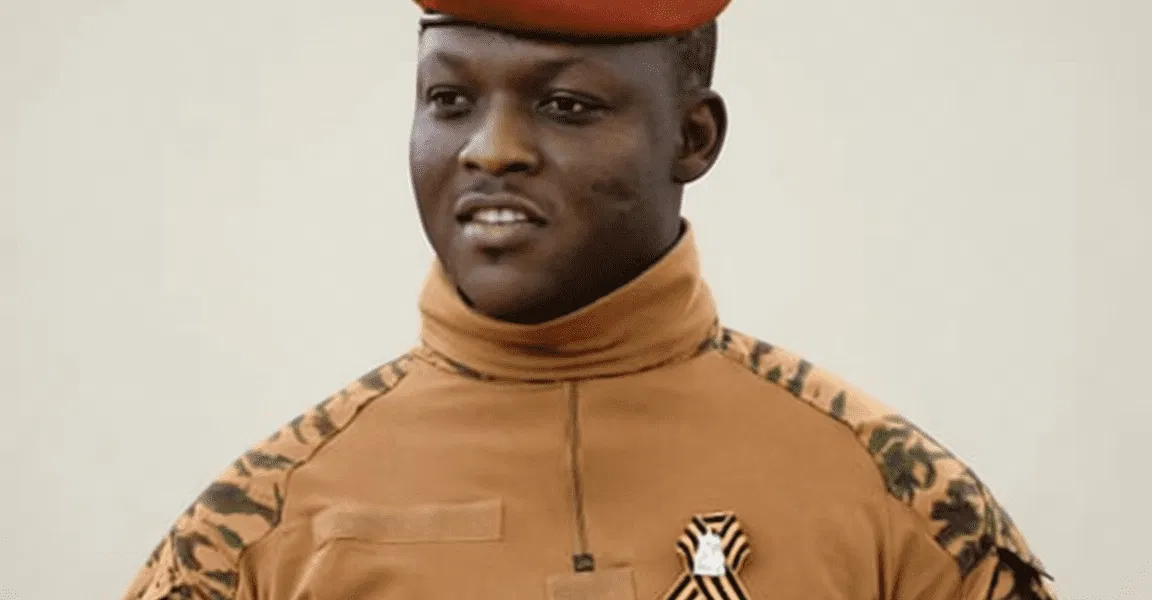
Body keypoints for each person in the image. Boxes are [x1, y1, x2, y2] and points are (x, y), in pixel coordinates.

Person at [121, 1, 1058, 599]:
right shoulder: (261, 525)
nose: (491, 150)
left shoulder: (897, 500)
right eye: (448, 100)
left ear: (692, 138)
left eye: (565, 105)